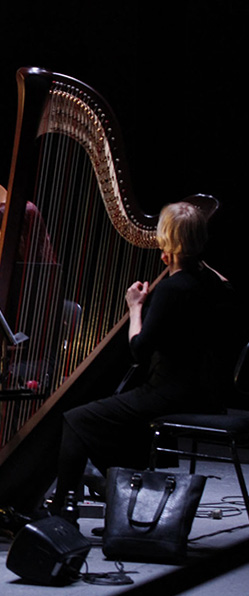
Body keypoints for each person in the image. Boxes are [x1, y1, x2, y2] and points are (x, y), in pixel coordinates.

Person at [52, 201, 231, 513]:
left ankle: (63, 513)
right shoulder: (216, 283)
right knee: (114, 413)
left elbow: (139, 350)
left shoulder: (173, 290)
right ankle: (120, 491)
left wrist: (135, 306)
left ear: (165, 241)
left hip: (170, 396)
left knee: (77, 419)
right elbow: (217, 283)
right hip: (208, 396)